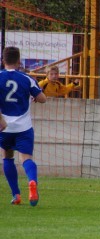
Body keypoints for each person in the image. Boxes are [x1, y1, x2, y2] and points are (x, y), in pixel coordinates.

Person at [0, 46, 47, 206]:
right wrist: (33, 96)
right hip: (24, 128)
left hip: (4, 127)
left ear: (3, 61)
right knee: (26, 158)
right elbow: (42, 98)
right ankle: (32, 182)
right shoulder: (27, 79)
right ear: (19, 62)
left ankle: (16, 195)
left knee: (7, 156)